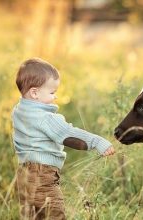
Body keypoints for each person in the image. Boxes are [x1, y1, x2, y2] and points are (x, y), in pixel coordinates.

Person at [11, 57, 115, 219]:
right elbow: (68, 133)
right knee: (55, 214)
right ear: (35, 92)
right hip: (42, 175)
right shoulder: (46, 118)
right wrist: (97, 142)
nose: (55, 97)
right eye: (52, 92)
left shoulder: (18, 111)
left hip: (23, 175)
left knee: (32, 216)